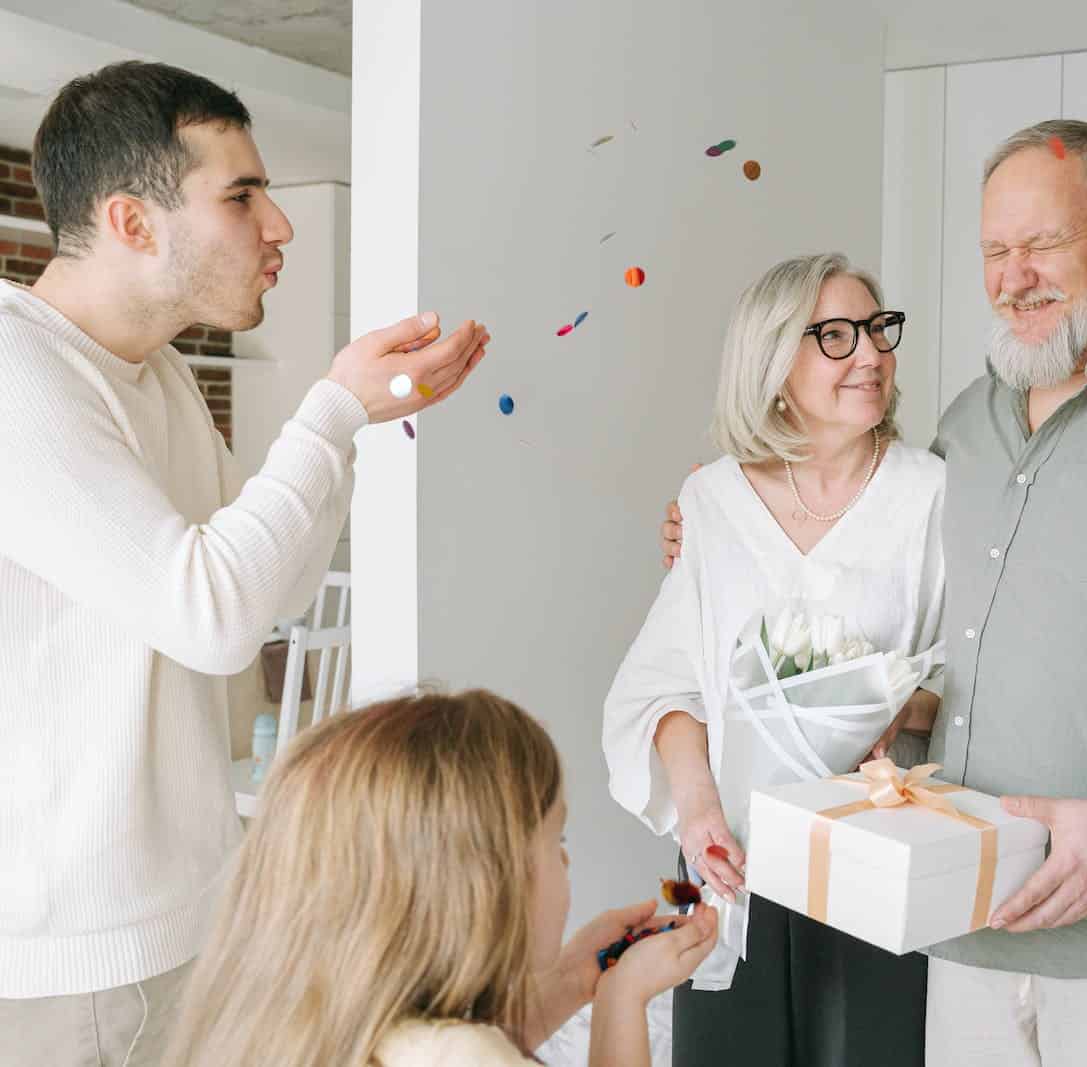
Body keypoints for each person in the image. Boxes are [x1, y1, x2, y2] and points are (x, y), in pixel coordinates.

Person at [664, 121, 1087, 1065]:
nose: (1013, 276)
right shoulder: (965, 429)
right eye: (995, 251)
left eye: (1044, 244)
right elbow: (899, 602)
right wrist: (728, 518)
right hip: (960, 938)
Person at [0, 61, 488, 1066]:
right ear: (133, 222)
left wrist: (349, 424)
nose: (281, 226)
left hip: (174, 914)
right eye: (242, 195)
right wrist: (334, 407)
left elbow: (271, 588)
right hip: (74, 952)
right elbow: (213, 615)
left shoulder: (156, 371)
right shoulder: (18, 374)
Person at [605, 253, 945, 1066]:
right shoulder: (710, 501)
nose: (870, 353)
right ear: (774, 364)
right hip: (724, 851)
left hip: (874, 855)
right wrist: (698, 817)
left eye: (877, 329)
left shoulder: (933, 495)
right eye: (835, 335)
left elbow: (958, 681)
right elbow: (667, 686)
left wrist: (893, 710)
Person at [159, 689, 717, 1066]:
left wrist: (576, 978)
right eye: (557, 843)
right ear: (486, 885)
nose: (567, 864)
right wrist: (623, 1000)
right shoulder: (469, 1056)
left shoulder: (302, 1020)